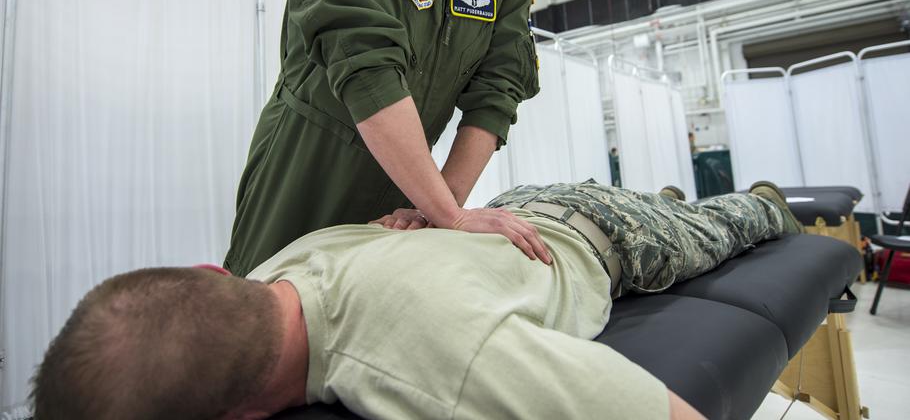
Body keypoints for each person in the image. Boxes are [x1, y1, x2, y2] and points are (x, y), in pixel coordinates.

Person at [32, 181, 802, 419]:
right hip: (517, 205)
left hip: (604, 236)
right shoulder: (278, 268)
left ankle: (761, 198)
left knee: (732, 221)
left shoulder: (435, 363)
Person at [224, 0, 607, 277]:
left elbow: (496, 96)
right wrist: (450, 214)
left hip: (404, 206)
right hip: (303, 183)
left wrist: (438, 207)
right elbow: (365, 66)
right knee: (261, 313)